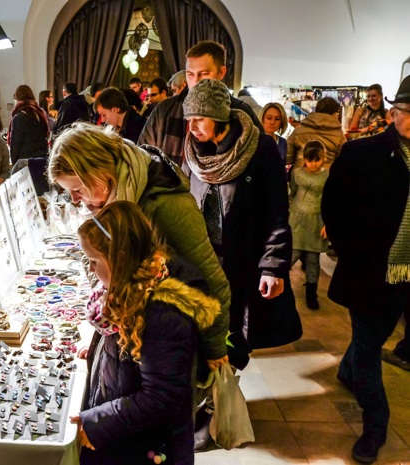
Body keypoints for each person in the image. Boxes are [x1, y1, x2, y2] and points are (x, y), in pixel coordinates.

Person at [48, 122, 231, 380]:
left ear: (100, 173)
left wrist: (214, 350)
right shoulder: (109, 201)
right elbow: (114, 277)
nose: (75, 200)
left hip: (168, 350)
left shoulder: (166, 205)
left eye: (77, 189)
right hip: (136, 344)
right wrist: (102, 344)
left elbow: (213, 282)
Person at [72, 201, 221, 465]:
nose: (91, 270)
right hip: (128, 432)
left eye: (94, 261)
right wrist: (98, 352)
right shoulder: (127, 291)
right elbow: (126, 351)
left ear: (119, 258)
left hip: (147, 447)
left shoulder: (161, 314)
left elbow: (161, 397)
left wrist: (98, 423)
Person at [321, 75, 410, 463]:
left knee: (372, 337)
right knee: (371, 347)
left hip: (407, 277)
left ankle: (347, 369)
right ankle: (376, 425)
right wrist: (352, 252)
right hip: (372, 272)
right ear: (393, 113)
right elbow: (334, 206)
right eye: (408, 112)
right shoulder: (363, 153)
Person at [183, 78, 301, 359]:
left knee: (235, 339)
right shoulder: (193, 153)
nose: (192, 127)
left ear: (218, 116)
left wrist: (273, 267)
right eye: (189, 120)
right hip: (204, 263)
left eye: (199, 119)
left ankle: (229, 378)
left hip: (242, 263)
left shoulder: (260, 148)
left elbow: (277, 213)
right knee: (205, 338)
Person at [139, 40, 263, 168]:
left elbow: (261, 161)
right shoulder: (164, 110)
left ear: (221, 72)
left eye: (204, 74)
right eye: (190, 74)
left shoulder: (241, 113)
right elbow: (142, 158)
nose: (196, 81)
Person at [288, 140, 329, 310]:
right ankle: (279, 286)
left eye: (317, 159)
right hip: (297, 219)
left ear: (323, 158)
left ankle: (311, 293)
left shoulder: (327, 176)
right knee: (291, 254)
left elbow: (329, 201)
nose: (313, 164)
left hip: (316, 220)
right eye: (309, 159)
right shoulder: (297, 173)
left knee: (313, 259)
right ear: (304, 158)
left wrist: (327, 223)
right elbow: (292, 192)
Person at [286, 97, 346, 171]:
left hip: (300, 175)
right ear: (335, 114)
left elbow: (288, 157)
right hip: (327, 176)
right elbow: (343, 161)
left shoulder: (299, 130)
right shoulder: (339, 134)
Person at [7, 84, 49, 164]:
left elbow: (16, 143)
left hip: (25, 160)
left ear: (17, 99)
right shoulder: (39, 113)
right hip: (41, 158)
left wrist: (14, 163)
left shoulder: (19, 116)